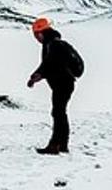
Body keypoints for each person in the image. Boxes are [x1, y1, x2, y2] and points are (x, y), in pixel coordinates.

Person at [27, 17, 84, 155]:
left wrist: (36, 76)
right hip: (65, 83)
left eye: (36, 35)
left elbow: (48, 65)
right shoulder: (53, 44)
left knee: (58, 113)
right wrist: (36, 76)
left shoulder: (53, 45)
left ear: (40, 33)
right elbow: (48, 65)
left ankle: (55, 145)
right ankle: (62, 144)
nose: (36, 39)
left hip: (62, 84)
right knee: (60, 112)